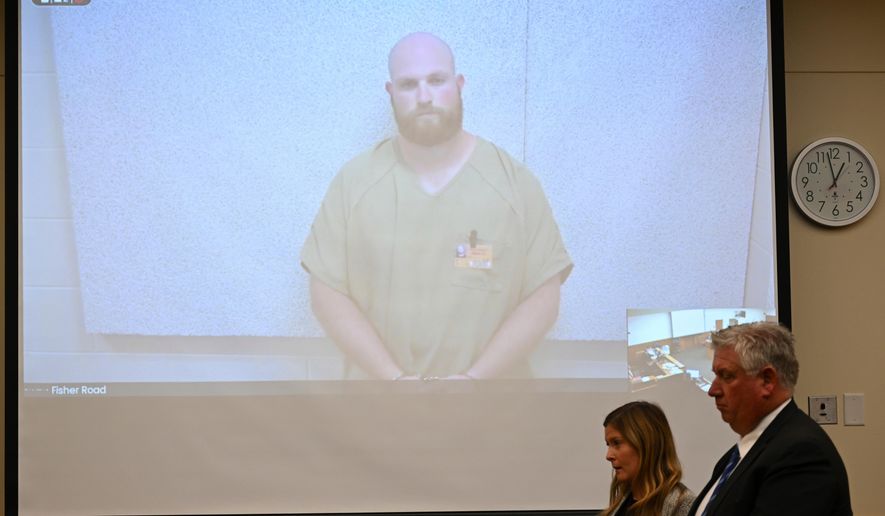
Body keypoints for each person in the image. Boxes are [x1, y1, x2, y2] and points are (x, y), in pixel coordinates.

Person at [301, 32, 572, 380]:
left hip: (491, 414)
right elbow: (327, 294)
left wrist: (474, 382)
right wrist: (392, 380)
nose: (424, 97)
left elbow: (543, 297)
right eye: (409, 84)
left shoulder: (514, 184)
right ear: (391, 93)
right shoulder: (354, 183)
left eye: (436, 80)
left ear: (459, 84)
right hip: (377, 412)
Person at [690, 322, 852, 516]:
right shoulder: (739, 454)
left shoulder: (801, 454)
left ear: (767, 380)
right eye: (715, 376)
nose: (713, 390)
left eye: (727, 376)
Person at [602, 401, 695, 516]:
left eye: (617, 443)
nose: (608, 456)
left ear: (646, 444)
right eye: (608, 444)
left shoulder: (682, 504)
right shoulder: (624, 500)